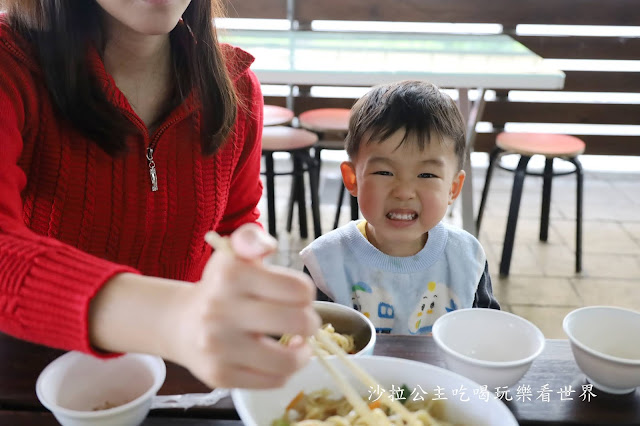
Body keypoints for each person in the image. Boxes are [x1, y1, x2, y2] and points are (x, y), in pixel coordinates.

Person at [0, 0, 320, 389]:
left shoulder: (235, 87)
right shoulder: (11, 62)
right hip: (42, 378)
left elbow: (235, 221)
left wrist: (244, 260)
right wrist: (172, 319)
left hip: (186, 375)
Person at [301, 80, 500, 335]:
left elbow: (486, 336)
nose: (404, 192)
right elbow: (311, 346)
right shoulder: (326, 262)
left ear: (453, 188)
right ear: (352, 179)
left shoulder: (465, 257)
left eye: (426, 175)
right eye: (384, 172)